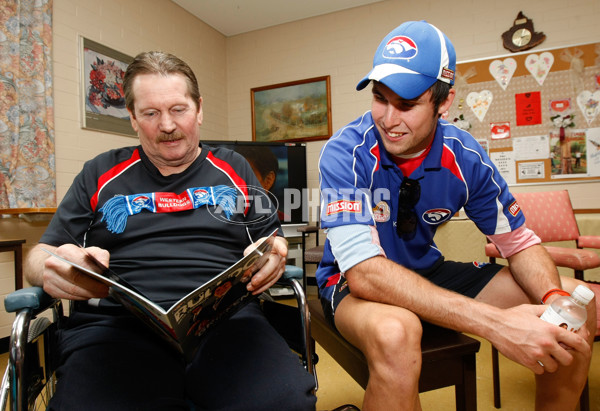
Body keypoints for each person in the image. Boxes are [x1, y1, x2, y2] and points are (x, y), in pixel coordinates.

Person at [316, 21, 595, 411]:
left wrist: (552, 300)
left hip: (426, 271)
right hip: (351, 280)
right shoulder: (345, 152)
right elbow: (364, 273)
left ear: (443, 102)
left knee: (575, 307)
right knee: (398, 331)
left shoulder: (466, 156)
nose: (389, 119)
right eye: (380, 98)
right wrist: (498, 325)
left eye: (407, 105)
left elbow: (519, 244)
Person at [24, 51, 316, 410]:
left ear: (199, 109)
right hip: (119, 327)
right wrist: (56, 267)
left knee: (285, 402)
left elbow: (272, 241)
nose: (167, 125)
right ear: (132, 117)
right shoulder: (98, 173)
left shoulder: (235, 167)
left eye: (179, 109)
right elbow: (38, 257)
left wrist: (274, 255)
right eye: (150, 113)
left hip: (227, 322)